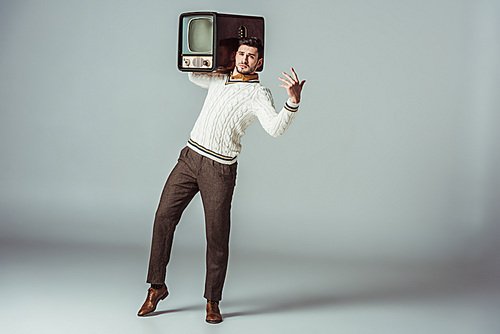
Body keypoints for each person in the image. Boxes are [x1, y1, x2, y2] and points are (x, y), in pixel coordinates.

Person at [137, 37, 305, 324]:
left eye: (251, 56)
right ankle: (157, 287)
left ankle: (212, 301)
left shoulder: (259, 94)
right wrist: (204, 52)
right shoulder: (220, 77)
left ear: (259, 62)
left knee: (216, 237)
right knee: (163, 216)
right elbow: (192, 74)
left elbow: (275, 129)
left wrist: (293, 101)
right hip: (189, 158)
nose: (244, 60)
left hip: (219, 169)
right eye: (241, 53)